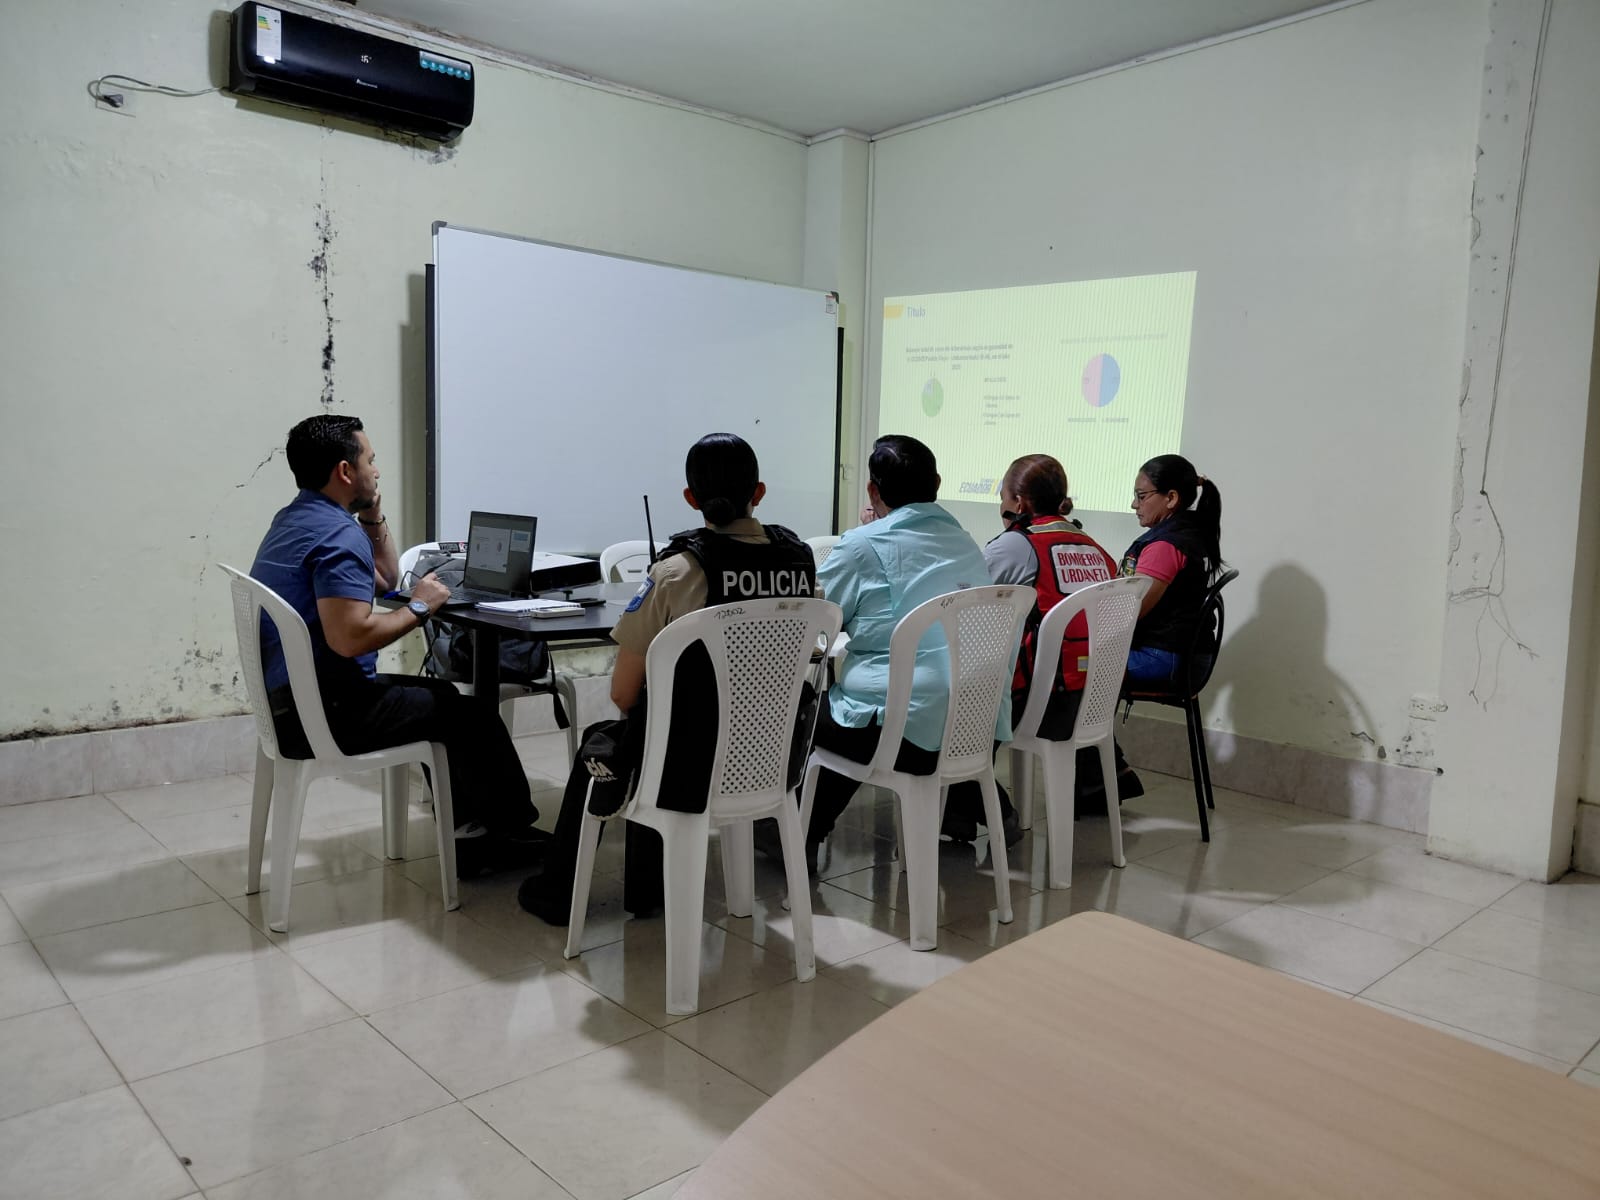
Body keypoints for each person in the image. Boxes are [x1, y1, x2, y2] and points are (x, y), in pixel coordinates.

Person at [518, 433, 816, 925]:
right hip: (773, 758)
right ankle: (643, 888)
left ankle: (558, 895)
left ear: (691, 498)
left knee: (609, 739)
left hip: (687, 768)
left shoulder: (678, 572)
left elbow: (622, 693)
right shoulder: (799, 560)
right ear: (759, 493)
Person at [249, 414, 540, 877]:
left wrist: (372, 515)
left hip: (289, 707)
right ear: (346, 471)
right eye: (371, 460)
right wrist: (421, 608)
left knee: (443, 697)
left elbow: (385, 580)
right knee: (473, 717)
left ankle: (471, 832)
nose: (377, 470)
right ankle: (507, 833)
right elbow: (349, 639)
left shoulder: (295, 519)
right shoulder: (335, 534)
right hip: (327, 715)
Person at [775, 435, 1011, 866]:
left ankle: (797, 835)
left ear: (872, 491)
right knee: (876, 705)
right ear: (937, 484)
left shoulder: (863, 544)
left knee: (807, 712)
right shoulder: (964, 541)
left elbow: (814, 626)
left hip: (904, 732)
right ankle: (991, 807)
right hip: (972, 725)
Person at [944, 454, 1134, 836]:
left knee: (953, 706)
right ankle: (962, 811)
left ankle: (980, 807)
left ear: (1017, 502)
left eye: (1002, 495)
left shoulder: (1017, 546)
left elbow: (965, 607)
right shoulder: (1095, 548)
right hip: (1090, 702)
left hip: (1039, 703)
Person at [1123, 453, 1223, 684]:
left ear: (1171, 498)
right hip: (1185, 657)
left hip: (1163, 657)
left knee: (1071, 667)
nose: (1134, 504)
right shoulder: (1192, 531)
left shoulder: (1166, 545)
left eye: (1141, 496)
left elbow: (1130, 611)